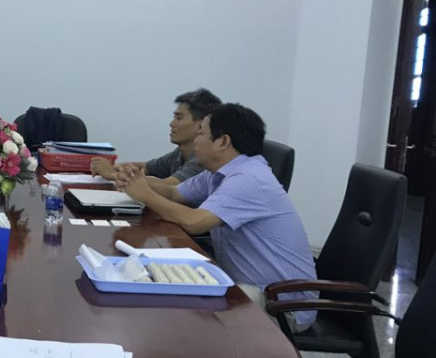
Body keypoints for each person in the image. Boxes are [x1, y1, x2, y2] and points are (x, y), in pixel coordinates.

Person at [114, 103, 317, 330]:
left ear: (223, 142)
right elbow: (173, 192)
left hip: (280, 303)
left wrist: (145, 194)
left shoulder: (248, 178)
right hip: (247, 286)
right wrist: (136, 180)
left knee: (180, 307)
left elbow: (195, 222)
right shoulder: (219, 173)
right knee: (161, 285)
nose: (196, 140)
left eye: (201, 133)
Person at [91, 88, 222, 184]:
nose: (172, 124)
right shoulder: (180, 153)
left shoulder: (204, 160)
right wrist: (116, 167)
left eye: (179, 118)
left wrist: (111, 174)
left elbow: (168, 186)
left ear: (201, 125)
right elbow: (144, 167)